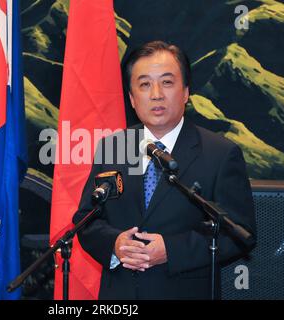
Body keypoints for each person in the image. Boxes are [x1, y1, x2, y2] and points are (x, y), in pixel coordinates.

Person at [72, 40, 256, 299]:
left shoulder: (220, 153)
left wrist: (172, 249)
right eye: (144, 84)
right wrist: (114, 244)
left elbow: (239, 233)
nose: (156, 94)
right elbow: (86, 220)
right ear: (132, 99)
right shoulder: (113, 146)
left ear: (185, 92)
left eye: (167, 82)